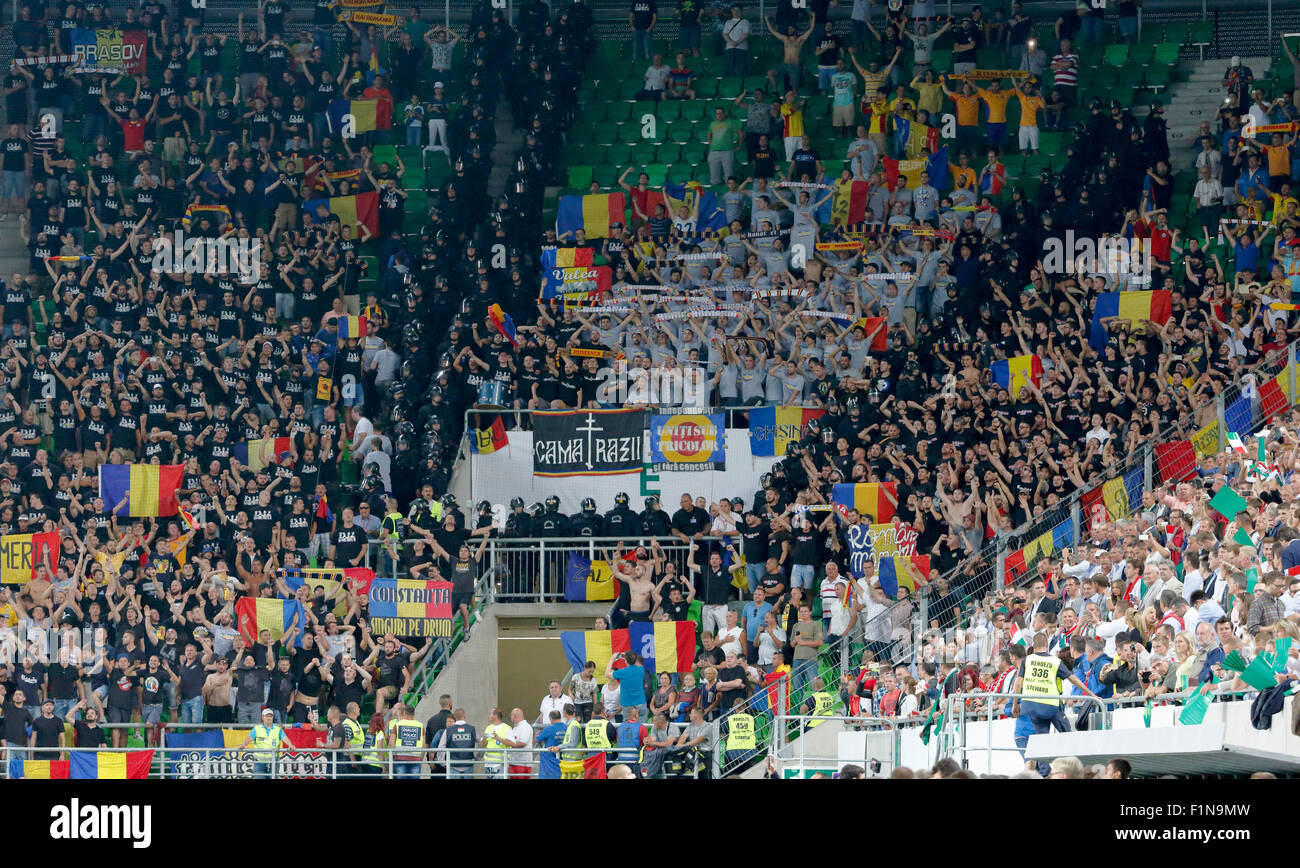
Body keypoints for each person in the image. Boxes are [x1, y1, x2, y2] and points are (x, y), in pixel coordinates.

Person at [237, 707, 293, 778]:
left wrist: (290, 745)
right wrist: (244, 745)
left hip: (274, 761)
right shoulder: (257, 729)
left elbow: (284, 738)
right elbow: (249, 738)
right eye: (267, 716)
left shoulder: (278, 729)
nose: (269, 718)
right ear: (262, 717)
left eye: (271, 716)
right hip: (259, 761)